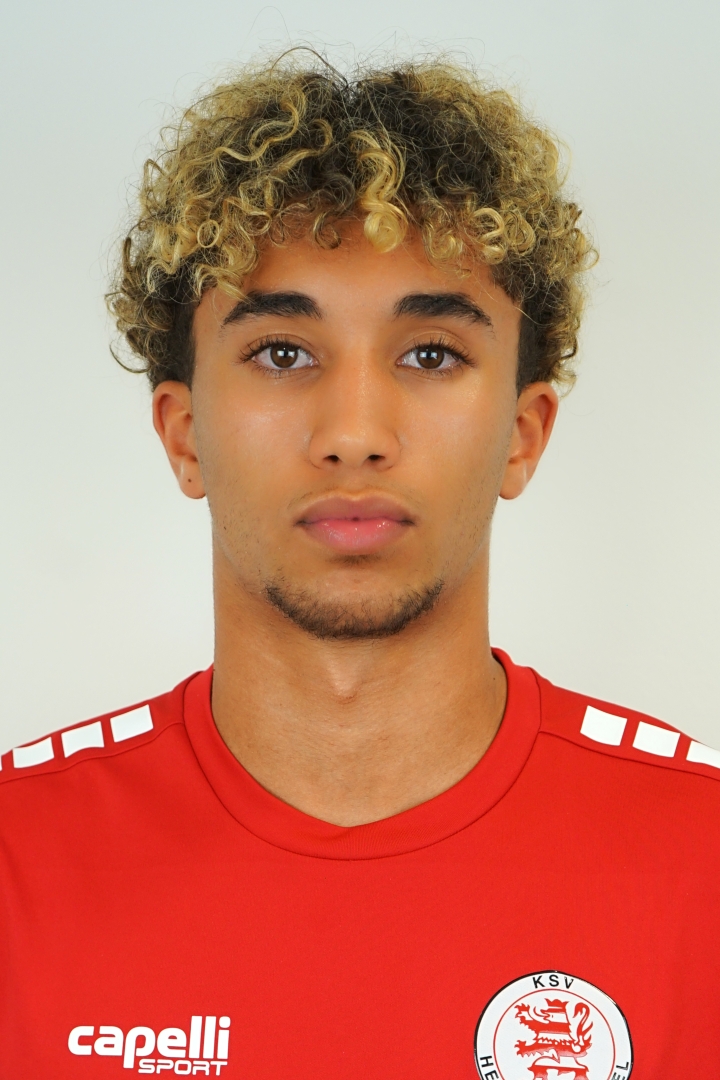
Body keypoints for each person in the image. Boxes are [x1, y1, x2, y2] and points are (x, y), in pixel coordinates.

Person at [1, 52, 718, 1080]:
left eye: (431, 354)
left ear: (522, 435)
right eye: (282, 353)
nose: (353, 435)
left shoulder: (703, 859)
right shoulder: (18, 860)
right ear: (184, 434)